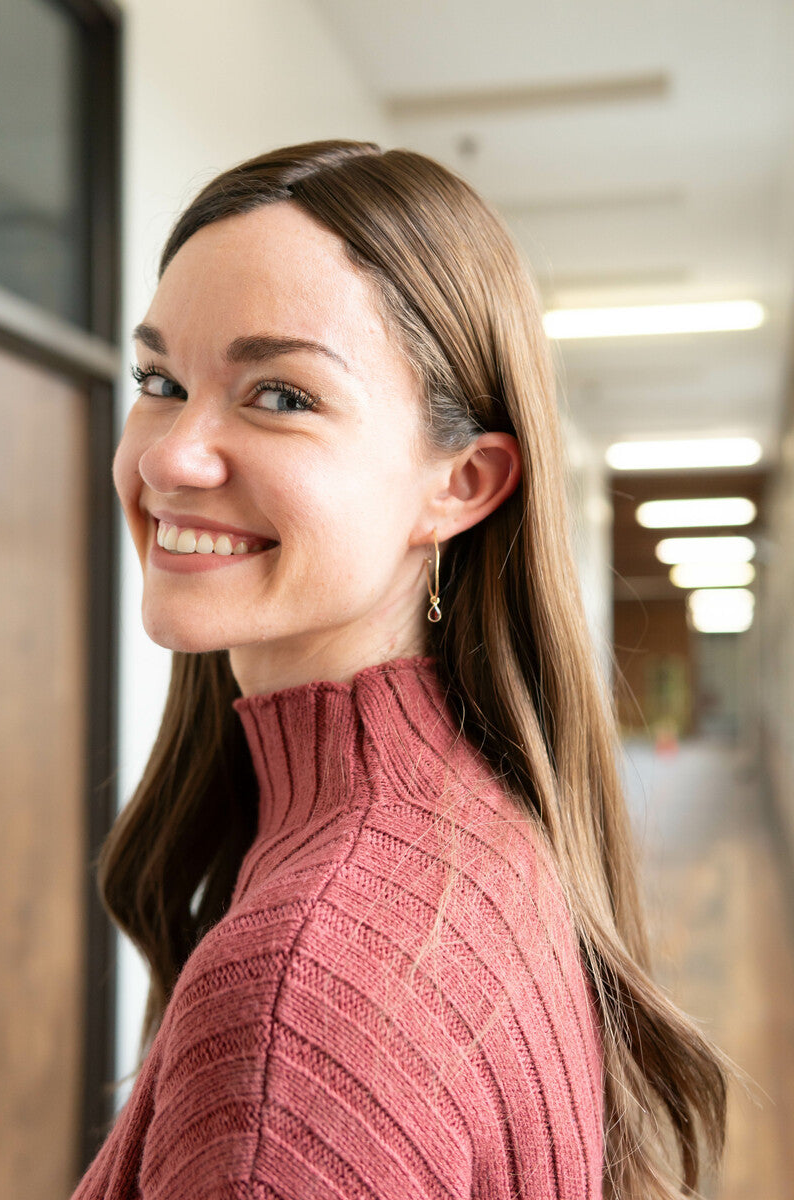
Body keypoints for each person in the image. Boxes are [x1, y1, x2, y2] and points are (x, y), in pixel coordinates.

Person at [71, 139, 735, 1200]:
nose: (167, 456)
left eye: (279, 396)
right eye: (160, 380)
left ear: (461, 484)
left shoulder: (301, 995)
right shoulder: (471, 818)